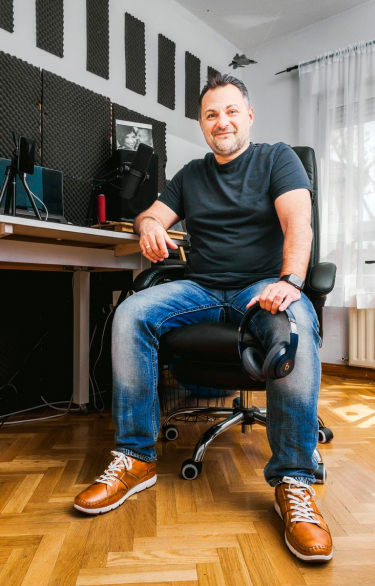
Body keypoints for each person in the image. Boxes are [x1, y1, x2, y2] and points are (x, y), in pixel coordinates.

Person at [74, 74, 333, 563]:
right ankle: (135, 458)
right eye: (212, 114)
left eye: (232, 111)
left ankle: (295, 482)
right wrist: (149, 227)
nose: (223, 121)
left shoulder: (277, 158)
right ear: (201, 123)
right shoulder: (191, 174)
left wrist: (291, 281)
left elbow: (298, 223)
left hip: (262, 284)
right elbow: (150, 215)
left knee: (295, 322)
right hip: (202, 287)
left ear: (249, 115)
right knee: (131, 313)